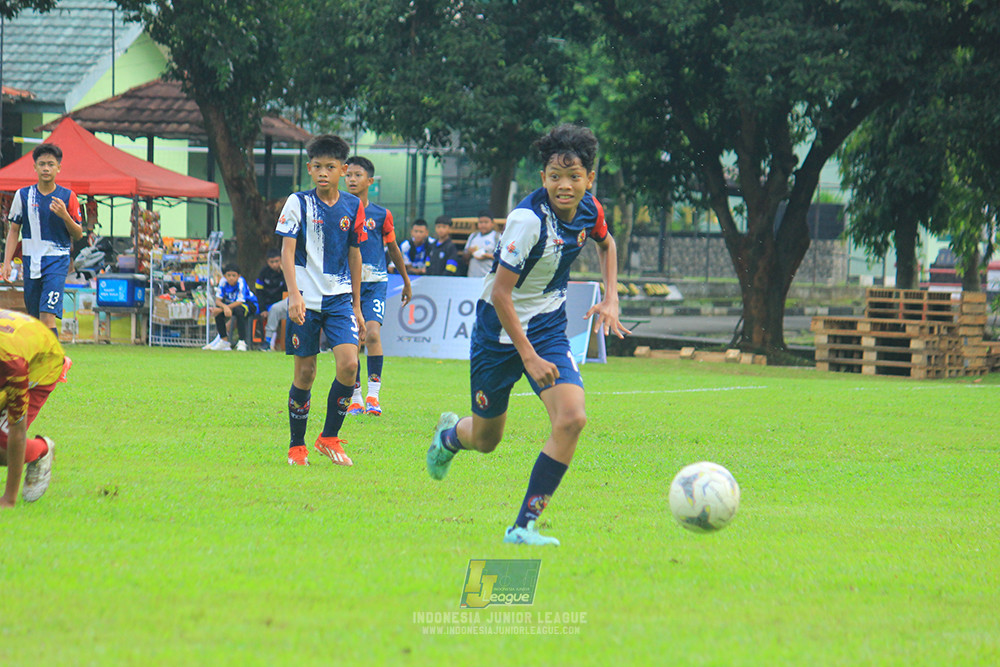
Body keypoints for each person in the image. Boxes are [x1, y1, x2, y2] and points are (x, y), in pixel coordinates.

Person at [425, 124, 630, 545]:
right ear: (543, 178)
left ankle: (523, 527)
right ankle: (449, 437)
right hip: (497, 332)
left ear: (589, 179)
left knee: (572, 418)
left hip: (548, 324)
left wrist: (611, 299)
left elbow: (607, 245)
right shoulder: (526, 221)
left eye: (574, 177)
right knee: (486, 440)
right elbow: (501, 295)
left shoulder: (591, 209)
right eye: (555, 176)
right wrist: (529, 357)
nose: (565, 185)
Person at [275, 134, 367, 467]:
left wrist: (357, 306)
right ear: (310, 169)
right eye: (318, 167)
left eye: (331, 167)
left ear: (343, 170)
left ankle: (328, 438)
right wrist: (294, 295)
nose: (323, 173)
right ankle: (296, 445)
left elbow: (355, 254)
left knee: (350, 365)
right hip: (306, 300)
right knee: (306, 374)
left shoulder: (354, 206)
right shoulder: (297, 202)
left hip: (340, 299)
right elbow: (286, 253)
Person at [343, 156, 413, 417]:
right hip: (346, 285)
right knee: (352, 341)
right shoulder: (339, 209)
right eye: (348, 174)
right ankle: (356, 398)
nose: (352, 179)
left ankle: (373, 397)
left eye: (357, 175)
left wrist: (406, 281)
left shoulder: (382, 214)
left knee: (371, 334)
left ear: (369, 181)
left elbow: (393, 248)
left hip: (375, 283)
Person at [0, 143, 85, 338]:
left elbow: (78, 234)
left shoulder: (68, 197)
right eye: (42, 164)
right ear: (35, 167)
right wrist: (7, 263)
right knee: (35, 319)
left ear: (58, 168)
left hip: (56, 261)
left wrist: (65, 215)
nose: (46, 168)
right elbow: (14, 231)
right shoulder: (23, 195)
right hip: (31, 261)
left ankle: (53, 365)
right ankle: (41, 363)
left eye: (50, 164)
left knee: (47, 315)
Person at [0, 309, 70, 508]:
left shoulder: (12, 364)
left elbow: (17, 430)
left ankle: (42, 449)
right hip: (23, 344)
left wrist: (8, 499)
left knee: (3, 445)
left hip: (42, 367)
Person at [207, 264, 259, 351]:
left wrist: (223, 308)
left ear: (239, 276)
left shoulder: (241, 282)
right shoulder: (223, 282)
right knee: (218, 313)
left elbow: (240, 301)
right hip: (231, 306)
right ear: (225, 276)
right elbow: (218, 300)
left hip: (249, 305)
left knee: (239, 311)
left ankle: (242, 342)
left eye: (234, 275)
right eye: (229, 275)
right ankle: (224, 341)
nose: (231, 278)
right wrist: (224, 308)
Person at [255, 248, 288, 351]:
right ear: (267, 262)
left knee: (275, 309)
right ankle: (267, 342)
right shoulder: (263, 273)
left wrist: (284, 271)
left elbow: (290, 290)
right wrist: (263, 309)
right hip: (266, 304)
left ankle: (269, 342)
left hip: (282, 303)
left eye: (277, 261)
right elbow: (259, 292)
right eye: (272, 262)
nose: (274, 264)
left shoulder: (287, 271)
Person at [462, 210, 500, 278]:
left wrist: (486, 255)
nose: (483, 225)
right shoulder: (473, 236)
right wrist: (469, 252)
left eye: (486, 222)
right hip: (472, 275)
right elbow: (465, 255)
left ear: (492, 223)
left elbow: (501, 257)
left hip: (489, 276)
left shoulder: (496, 237)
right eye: (480, 222)